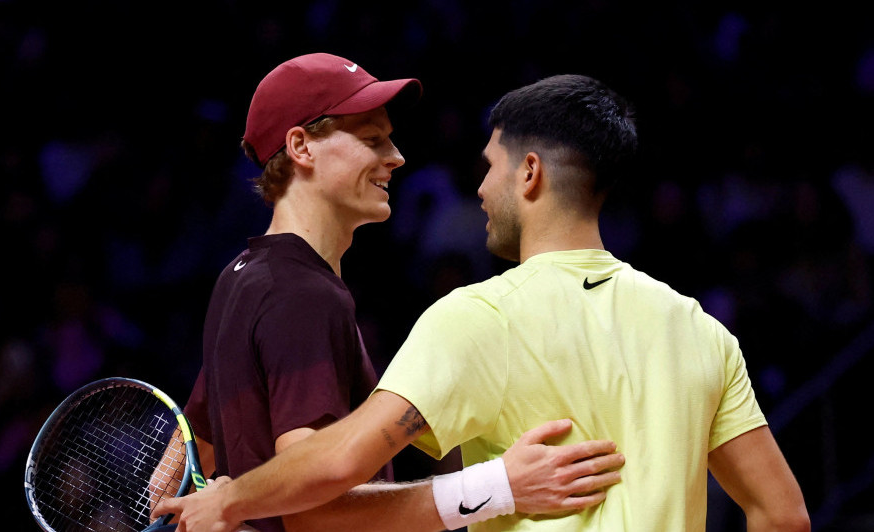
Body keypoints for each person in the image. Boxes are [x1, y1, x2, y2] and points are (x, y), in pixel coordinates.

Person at [156, 73, 810, 531]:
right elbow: (783, 515)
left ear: (530, 173)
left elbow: (328, 468)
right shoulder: (699, 330)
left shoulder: (476, 319)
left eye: (490, 166)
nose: (480, 189)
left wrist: (233, 498)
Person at [177, 54, 626, 532]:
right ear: (301, 147)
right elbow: (314, 513)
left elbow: (192, 449)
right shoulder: (303, 294)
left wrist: (209, 506)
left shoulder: (241, 276)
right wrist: (499, 487)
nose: (396, 156)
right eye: (372, 139)